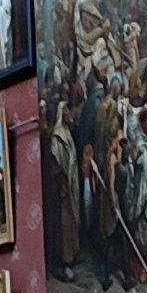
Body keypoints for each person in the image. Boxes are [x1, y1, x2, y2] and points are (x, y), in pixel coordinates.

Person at [45, 102, 81, 281]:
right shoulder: (57, 136)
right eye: (66, 110)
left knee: (71, 224)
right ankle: (63, 264)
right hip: (62, 190)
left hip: (70, 185)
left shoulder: (66, 131)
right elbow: (55, 165)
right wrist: (63, 183)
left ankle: (72, 256)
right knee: (63, 227)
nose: (69, 113)